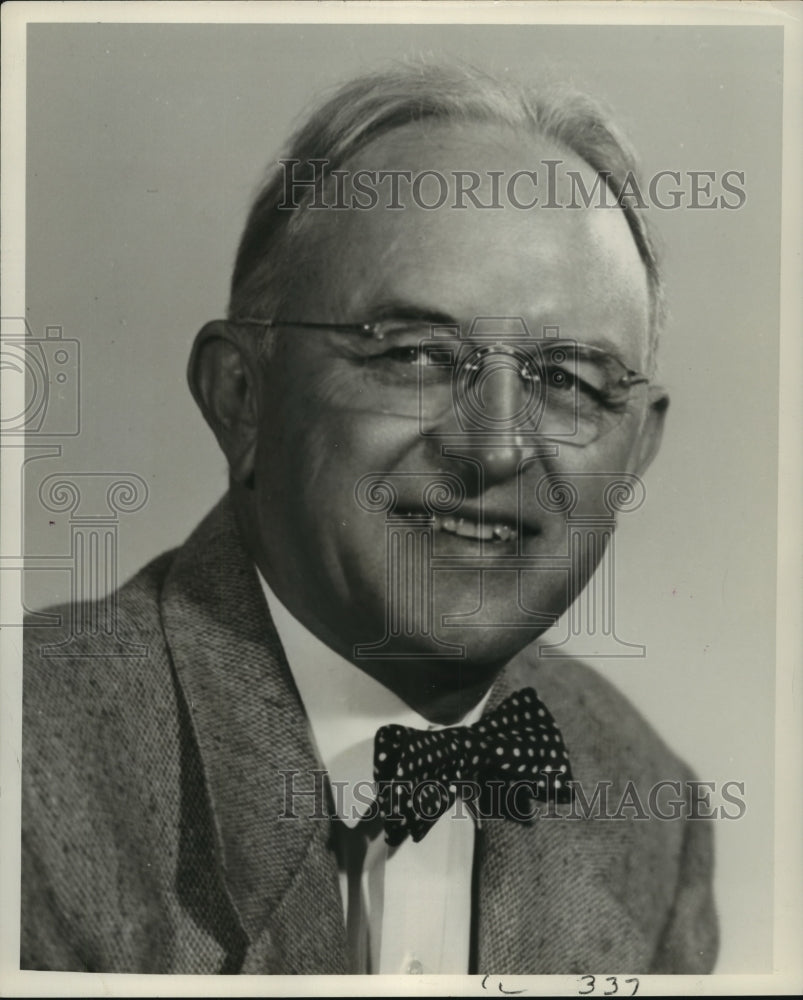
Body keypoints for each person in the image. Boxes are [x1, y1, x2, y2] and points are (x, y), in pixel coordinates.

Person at [21, 62, 718, 975]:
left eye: (565, 380)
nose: (496, 448)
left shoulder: (649, 807)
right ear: (241, 397)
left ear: (634, 451)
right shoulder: (29, 761)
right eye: (420, 354)